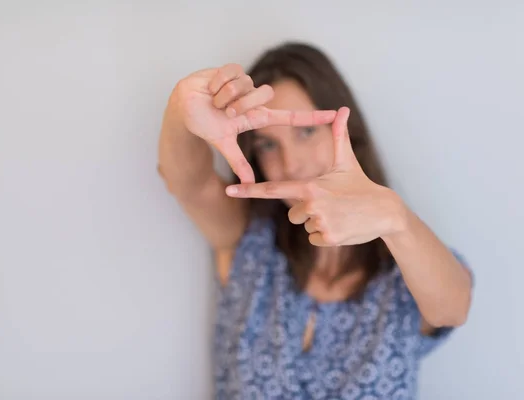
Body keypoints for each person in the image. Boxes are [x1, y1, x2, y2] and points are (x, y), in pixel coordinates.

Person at [158, 42, 473, 399]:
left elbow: (453, 308)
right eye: (267, 144)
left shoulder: (403, 272)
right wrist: (181, 109)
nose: (291, 164)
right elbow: (188, 183)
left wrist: (395, 217)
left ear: (347, 131)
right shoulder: (250, 240)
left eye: (306, 132)